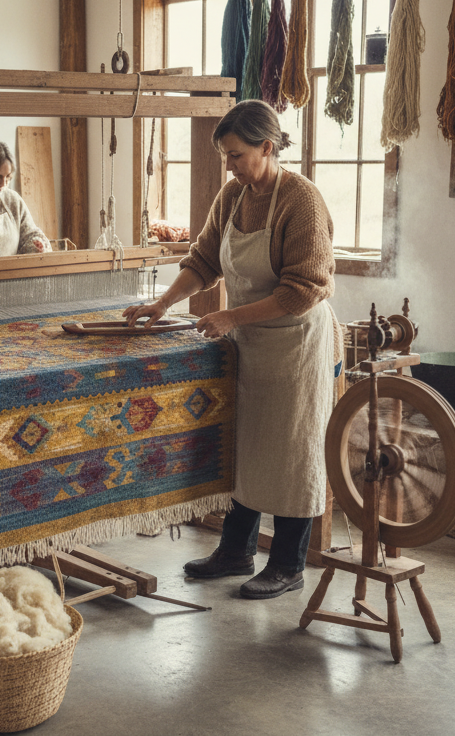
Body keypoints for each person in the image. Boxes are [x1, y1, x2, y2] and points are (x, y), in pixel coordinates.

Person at [124, 99, 340, 600]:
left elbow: (303, 289)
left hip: (296, 343)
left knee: (291, 453)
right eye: (226, 155)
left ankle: (288, 564)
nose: (230, 164)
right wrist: (161, 303)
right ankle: (236, 550)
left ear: (268, 147)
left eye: (237, 155)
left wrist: (229, 317)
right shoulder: (233, 195)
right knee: (246, 447)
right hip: (248, 341)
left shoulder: (301, 201)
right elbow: (202, 260)